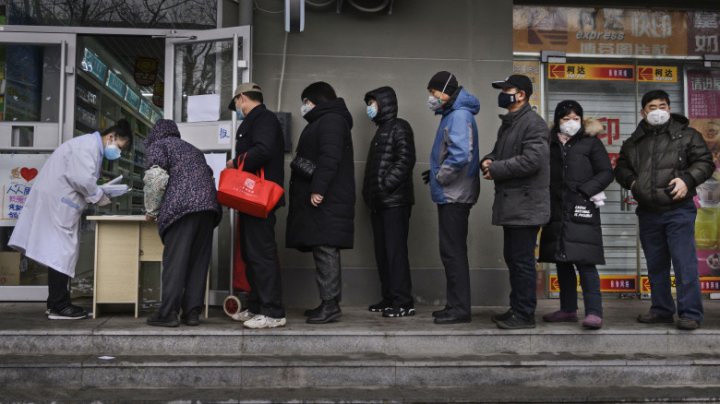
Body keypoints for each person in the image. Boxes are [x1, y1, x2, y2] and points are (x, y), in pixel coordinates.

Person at [8, 120, 133, 320]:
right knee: (60, 253)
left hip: (59, 204)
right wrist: (100, 196)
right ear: (111, 137)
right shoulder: (87, 147)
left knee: (57, 253)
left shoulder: (88, 146)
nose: (118, 152)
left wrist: (97, 193)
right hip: (58, 205)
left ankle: (56, 303)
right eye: (119, 147)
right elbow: (82, 179)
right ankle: (60, 305)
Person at [615, 89, 714, 330]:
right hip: (648, 211)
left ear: (669, 108)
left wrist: (687, 180)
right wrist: (633, 183)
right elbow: (621, 169)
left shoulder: (687, 135)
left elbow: (705, 162)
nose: (658, 111)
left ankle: (690, 313)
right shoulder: (634, 142)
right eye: (652, 107)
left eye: (663, 106)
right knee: (656, 264)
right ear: (643, 112)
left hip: (678, 210)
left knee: (684, 262)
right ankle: (661, 310)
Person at [482, 74, 550, 330]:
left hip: (526, 206)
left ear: (521, 94)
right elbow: (500, 153)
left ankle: (524, 314)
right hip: (514, 206)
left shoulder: (534, 124)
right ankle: (517, 308)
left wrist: (497, 168)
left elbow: (532, 161)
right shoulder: (510, 124)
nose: (503, 93)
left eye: (507, 89)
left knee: (522, 261)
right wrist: (487, 161)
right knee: (513, 258)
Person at [538, 100, 613, 330]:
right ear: (558, 121)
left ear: (581, 120)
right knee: (562, 261)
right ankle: (568, 309)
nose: (571, 123)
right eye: (566, 119)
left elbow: (606, 172)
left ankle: (594, 312)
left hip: (581, 208)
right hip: (556, 209)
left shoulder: (590, 142)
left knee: (585, 262)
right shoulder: (548, 143)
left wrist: (585, 190)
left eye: (575, 119)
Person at [286, 81, 355, 324]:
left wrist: (318, 189)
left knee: (326, 248)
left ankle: (330, 305)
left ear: (314, 101)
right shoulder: (325, 121)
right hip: (327, 198)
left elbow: (330, 157)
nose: (303, 107)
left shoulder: (331, 121)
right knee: (322, 247)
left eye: (305, 102)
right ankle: (327, 302)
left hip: (327, 199)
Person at [144, 119, 222, 327]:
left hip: (182, 209)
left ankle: (168, 313)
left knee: (176, 262)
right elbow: (209, 176)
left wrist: (151, 211)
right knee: (198, 262)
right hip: (208, 209)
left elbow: (155, 177)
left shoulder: (159, 145)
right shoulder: (194, 150)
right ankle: (192, 313)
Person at [225, 83, 287, 329]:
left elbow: (262, 150)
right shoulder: (260, 119)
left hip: (260, 197)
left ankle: (273, 312)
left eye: (237, 103)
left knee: (261, 254)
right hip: (251, 198)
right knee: (251, 254)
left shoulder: (263, 118)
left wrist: (235, 162)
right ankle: (257, 307)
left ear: (242, 98)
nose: (238, 109)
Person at [423, 71, 480, 325]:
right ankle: (454, 304)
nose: (431, 99)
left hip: (454, 194)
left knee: (453, 252)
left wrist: (440, 177)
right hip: (453, 192)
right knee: (451, 251)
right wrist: (434, 172)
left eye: (433, 93)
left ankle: (459, 308)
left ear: (445, 91)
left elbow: (460, 155)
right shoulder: (453, 114)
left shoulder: (458, 115)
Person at [362, 86, 417, 318]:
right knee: (383, 252)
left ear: (385, 103)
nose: (370, 108)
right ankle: (389, 297)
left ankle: (403, 302)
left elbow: (405, 160)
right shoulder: (382, 130)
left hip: (395, 202)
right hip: (380, 203)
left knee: (395, 252)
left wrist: (384, 186)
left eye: (373, 103)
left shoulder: (399, 127)